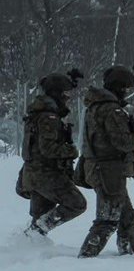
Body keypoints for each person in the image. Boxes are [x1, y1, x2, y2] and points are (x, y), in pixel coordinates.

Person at [78, 66, 134, 257]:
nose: (126, 92)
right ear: (119, 87)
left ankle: (126, 254)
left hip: (103, 169)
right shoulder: (111, 110)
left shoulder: (96, 106)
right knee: (107, 220)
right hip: (108, 171)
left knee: (127, 218)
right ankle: (85, 258)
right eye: (125, 88)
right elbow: (122, 142)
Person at [18, 70, 87, 239]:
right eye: (64, 94)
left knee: (40, 217)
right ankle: (37, 231)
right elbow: (48, 149)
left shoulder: (37, 114)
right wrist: (71, 151)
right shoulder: (48, 117)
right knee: (77, 203)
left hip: (35, 173)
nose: (67, 98)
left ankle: (26, 249)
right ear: (56, 93)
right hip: (46, 174)